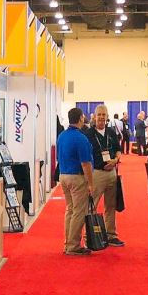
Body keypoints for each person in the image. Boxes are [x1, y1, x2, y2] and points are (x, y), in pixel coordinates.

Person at [56, 107, 98, 256]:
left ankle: (68, 243)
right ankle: (73, 245)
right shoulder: (81, 138)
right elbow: (85, 163)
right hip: (77, 177)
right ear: (80, 118)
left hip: (63, 175)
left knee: (70, 210)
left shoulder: (62, 136)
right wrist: (91, 183)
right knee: (79, 212)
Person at [84, 104, 126, 247]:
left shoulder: (111, 132)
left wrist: (115, 160)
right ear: (94, 117)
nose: (101, 117)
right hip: (96, 173)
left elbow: (118, 150)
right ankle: (89, 236)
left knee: (111, 205)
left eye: (104, 114)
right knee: (92, 205)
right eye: (99, 115)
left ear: (107, 116)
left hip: (112, 173)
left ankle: (111, 234)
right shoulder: (88, 134)